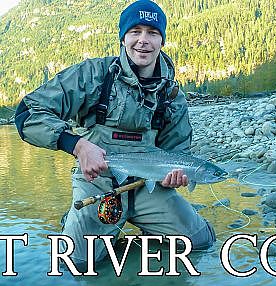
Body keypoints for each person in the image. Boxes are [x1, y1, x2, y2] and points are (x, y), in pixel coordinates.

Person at [15, 0, 216, 268]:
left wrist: (173, 178)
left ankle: (143, 229)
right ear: (123, 38)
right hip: (96, 182)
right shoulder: (92, 75)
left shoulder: (172, 95)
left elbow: (177, 153)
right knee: (75, 263)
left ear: (162, 41)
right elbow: (27, 113)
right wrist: (76, 145)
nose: (143, 41)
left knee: (201, 241)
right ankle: (77, 219)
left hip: (147, 187)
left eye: (152, 33)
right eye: (136, 32)